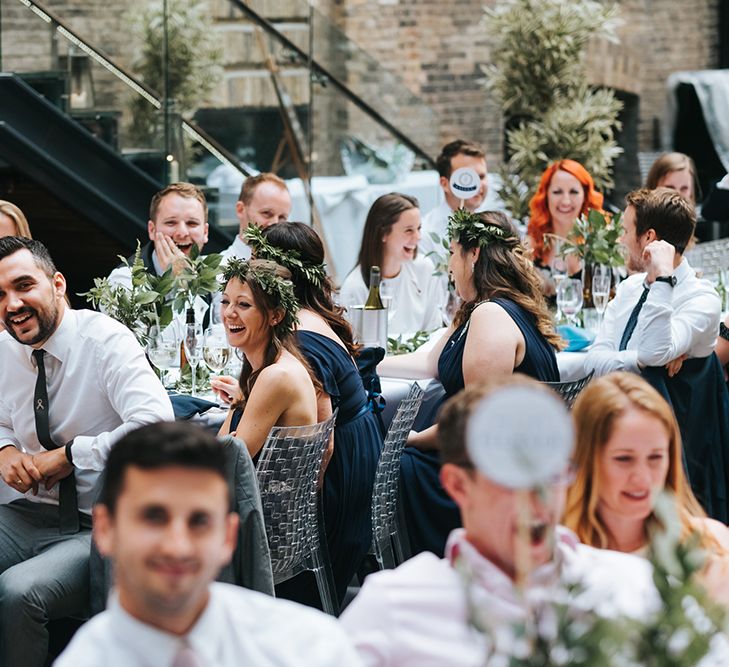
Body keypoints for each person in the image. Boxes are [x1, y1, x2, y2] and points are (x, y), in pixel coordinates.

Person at [340, 376, 662, 666]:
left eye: (551, 473)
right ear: (458, 485)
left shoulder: (630, 586)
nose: (537, 499)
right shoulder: (397, 609)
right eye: (511, 479)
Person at [55, 421, 363, 666]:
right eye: (154, 517)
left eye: (199, 521)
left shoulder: (310, 649)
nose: (178, 547)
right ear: (106, 529)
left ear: (228, 537)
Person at [0, 236, 173, 667]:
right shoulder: (4, 349)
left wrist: (72, 455)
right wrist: (4, 449)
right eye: (0, 295)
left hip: (94, 525)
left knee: (17, 593)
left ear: (57, 284)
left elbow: (157, 424)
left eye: (24, 286)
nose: (12, 303)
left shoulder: (105, 341)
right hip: (24, 513)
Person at [379, 209, 562, 556]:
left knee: (396, 464)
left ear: (473, 253)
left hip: (497, 472)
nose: (449, 264)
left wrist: (412, 438)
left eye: (452, 252)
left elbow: (477, 418)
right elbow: (428, 362)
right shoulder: (480, 308)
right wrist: (367, 364)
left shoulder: (491, 315)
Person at [241, 221, 383, 604]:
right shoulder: (311, 316)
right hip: (363, 452)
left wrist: (302, 513)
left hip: (343, 476)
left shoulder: (298, 334)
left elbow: (323, 437)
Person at [564, 372, 729, 603]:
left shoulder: (710, 547)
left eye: (655, 457)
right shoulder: (559, 558)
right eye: (623, 459)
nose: (642, 478)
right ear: (585, 460)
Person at [586, 187, 719, 377]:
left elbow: (653, 352)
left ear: (649, 237)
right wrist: (639, 361)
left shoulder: (702, 300)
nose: (621, 240)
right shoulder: (629, 287)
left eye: (625, 231)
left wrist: (663, 279)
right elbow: (591, 363)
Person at [218, 258, 318, 459]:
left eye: (243, 304)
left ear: (276, 316)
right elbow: (222, 447)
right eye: (225, 301)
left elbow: (229, 464)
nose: (229, 313)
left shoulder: (277, 376)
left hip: (266, 490)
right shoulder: (264, 366)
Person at [339, 193, 447, 337]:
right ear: (383, 233)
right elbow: (355, 347)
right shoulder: (355, 288)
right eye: (409, 230)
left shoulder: (424, 268)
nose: (418, 237)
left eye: (419, 228)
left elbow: (434, 330)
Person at [108, 182, 210, 286]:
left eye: (192, 223)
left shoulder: (214, 274)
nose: (182, 233)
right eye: (171, 222)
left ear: (205, 232)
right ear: (152, 230)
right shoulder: (124, 280)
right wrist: (179, 282)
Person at [526, 159, 604, 281]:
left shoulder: (602, 243)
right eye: (557, 192)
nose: (566, 201)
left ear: (585, 196)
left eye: (573, 192)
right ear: (546, 196)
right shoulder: (530, 246)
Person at [418, 139, 489, 258]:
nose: (477, 184)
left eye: (481, 177)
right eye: (467, 177)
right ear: (445, 184)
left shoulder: (493, 226)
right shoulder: (426, 235)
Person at [220, 173, 292, 262]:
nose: (275, 223)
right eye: (267, 213)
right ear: (241, 210)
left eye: (282, 217)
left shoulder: (294, 269)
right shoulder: (215, 271)